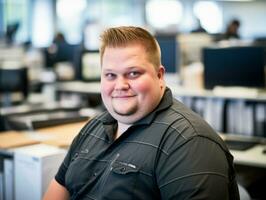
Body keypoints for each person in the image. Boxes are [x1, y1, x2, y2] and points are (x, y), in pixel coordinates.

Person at [43, 26, 240, 200]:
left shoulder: (189, 142)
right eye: (110, 75)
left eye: (133, 73)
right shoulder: (92, 128)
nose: (120, 85)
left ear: (159, 76)